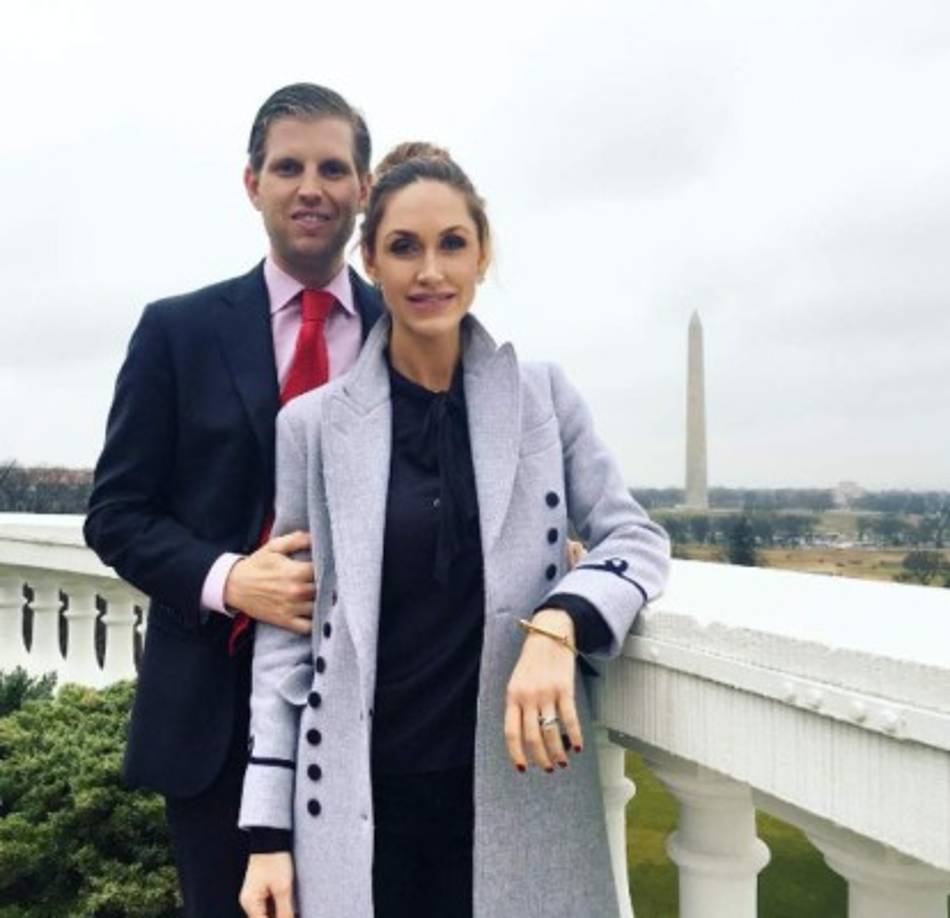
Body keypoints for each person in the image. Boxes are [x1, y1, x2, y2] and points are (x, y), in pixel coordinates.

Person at [237, 143, 671, 918]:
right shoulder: (311, 427)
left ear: (482, 255)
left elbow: (634, 539)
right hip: (360, 807)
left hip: (517, 795)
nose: (429, 271)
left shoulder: (544, 399)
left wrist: (558, 622)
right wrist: (266, 832)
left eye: (451, 244)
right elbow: (289, 636)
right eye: (404, 247)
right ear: (369, 261)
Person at [83, 83, 384, 917]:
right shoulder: (176, 332)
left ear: (363, 187)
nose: (310, 187)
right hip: (216, 726)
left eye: (332, 167)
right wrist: (227, 579)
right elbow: (116, 515)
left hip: (381, 714)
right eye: (288, 167)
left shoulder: (407, 332)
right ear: (252, 183)